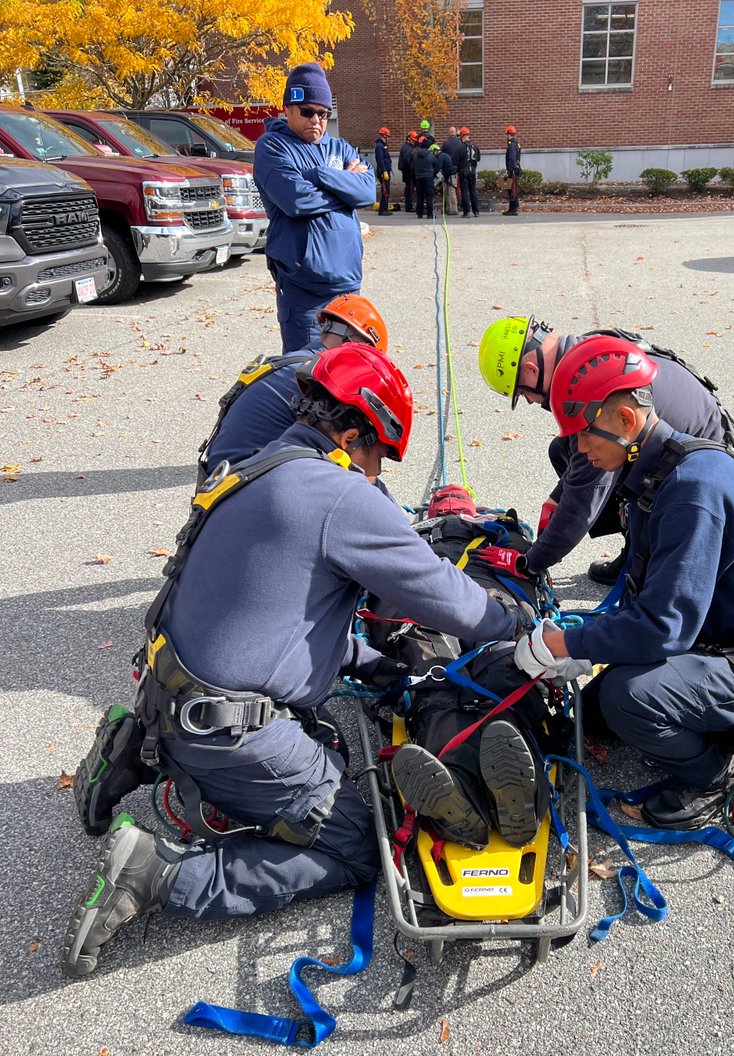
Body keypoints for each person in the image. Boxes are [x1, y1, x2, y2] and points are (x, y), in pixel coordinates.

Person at [62, 345, 526, 979]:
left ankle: (133, 749)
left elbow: (278, 617)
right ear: (355, 432)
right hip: (227, 732)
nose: (376, 474)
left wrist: (367, 662)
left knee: (300, 728)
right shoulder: (337, 495)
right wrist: (514, 625)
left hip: (166, 690)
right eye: (379, 456)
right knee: (357, 840)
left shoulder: (252, 468)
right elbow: (446, 597)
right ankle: (160, 877)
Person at [512, 341, 734, 832]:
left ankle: (719, 776)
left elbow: (662, 626)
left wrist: (562, 642)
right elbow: (650, 598)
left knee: (624, 696)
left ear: (624, 420)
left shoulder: (691, 491)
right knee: (593, 712)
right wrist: (584, 641)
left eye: (582, 436)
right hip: (722, 633)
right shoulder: (661, 470)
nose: (579, 451)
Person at [364, 483, 570, 850]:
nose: (448, 508)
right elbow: (533, 568)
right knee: (502, 667)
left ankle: (459, 786)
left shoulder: (408, 534)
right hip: (490, 600)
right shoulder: (503, 530)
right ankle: (514, 789)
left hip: (424, 608)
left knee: (433, 678)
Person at [478, 320, 734, 583]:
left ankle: (647, 562)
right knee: (561, 450)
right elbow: (580, 469)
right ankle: (637, 550)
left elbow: (582, 500)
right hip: (708, 446)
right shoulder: (588, 353)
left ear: (530, 370)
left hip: (712, 483)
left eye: (522, 393)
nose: (528, 401)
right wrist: (555, 499)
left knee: (602, 457)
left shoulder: (588, 391)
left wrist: (529, 562)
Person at [253, 63, 375, 353]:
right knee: (305, 376)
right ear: (288, 109)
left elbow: (367, 191)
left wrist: (321, 175)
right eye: (308, 111)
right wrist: (346, 188)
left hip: (347, 285)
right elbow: (297, 200)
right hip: (304, 289)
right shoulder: (273, 147)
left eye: (324, 113)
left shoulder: (340, 148)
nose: (317, 120)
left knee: (345, 373)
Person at [198, 294, 389, 478]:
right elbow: (351, 459)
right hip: (244, 489)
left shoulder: (293, 363)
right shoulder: (318, 381)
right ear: (359, 344)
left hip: (219, 483)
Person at [413, 135, 439, 219]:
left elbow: (413, 166)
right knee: (429, 196)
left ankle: (419, 213)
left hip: (419, 178)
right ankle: (430, 214)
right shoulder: (431, 156)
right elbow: (436, 166)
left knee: (420, 196)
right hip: (428, 177)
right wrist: (433, 173)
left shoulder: (416, 156)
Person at [440, 126, 464, 215]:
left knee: (449, 190)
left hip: (448, 169)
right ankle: (451, 208)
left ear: (449, 133)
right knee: (453, 189)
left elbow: (442, 156)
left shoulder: (446, 144)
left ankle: (452, 208)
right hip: (457, 169)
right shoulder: (460, 144)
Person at [458, 127, 480, 218]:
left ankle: (466, 211)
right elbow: (478, 158)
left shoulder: (461, 147)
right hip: (472, 171)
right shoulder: (475, 146)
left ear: (462, 136)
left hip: (464, 171)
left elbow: (456, 160)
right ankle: (476, 211)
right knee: (473, 191)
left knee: (464, 191)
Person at [398, 129, 418, 213]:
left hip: (408, 171)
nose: (414, 142)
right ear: (409, 138)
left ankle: (409, 206)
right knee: (409, 188)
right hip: (408, 171)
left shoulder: (409, 147)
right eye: (413, 140)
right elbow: (407, 160)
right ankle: (409, 206)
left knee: (409, 188)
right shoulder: (407, 148)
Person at [374, 126, 393, 216]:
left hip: (386, 171)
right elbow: (380, 160)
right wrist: (384, 171)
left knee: (387, 191)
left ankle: (385, 209)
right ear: (384, 136)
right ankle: (382, 210)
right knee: (385, 191)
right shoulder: (379, 146)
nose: (388, 139)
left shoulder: (382, 146)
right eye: (387, 137)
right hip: (383, 172)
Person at [503, 125, 521, 216]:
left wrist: (508, 172)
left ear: (509, 135)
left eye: (507, 135)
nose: (506, 137)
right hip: (515, 169)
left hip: (512, 170)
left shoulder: (512, 145)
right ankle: (513, 207)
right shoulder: (516, 143)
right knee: (512, 189)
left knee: (512, 190)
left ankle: (513, 209)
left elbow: (512, 159)